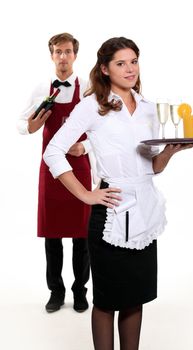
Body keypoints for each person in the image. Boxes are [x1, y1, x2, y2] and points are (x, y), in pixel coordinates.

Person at [43, 37, 193, 349]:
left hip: (144, 213)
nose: (130, 69)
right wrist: (86, 194)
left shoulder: (150, 109)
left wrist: (170, 151)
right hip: (110, 214)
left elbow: (151, 166)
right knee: (107, 300)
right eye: (121, 63)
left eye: (134, 62)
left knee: (134, 298)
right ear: (105, 69)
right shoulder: (91, 107)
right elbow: (53, 152)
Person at [17, 33, 92, 313]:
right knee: (52, 235)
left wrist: (83, 146)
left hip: (79, 168)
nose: (63, 57)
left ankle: (80, 291)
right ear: (52, 56)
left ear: (75, 55)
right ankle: (56, 292)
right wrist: (31, 127)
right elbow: (21, 123)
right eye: (58, 52)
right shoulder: (41, 88)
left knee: (81, 235)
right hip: (50, 171)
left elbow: (102, 129)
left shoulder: (88, 88)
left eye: (68, 52)